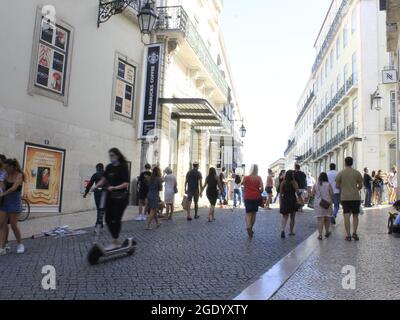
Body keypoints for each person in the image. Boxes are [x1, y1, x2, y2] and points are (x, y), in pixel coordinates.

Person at [93, 148, 130, 250]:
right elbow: (104, 179)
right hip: (110, 197)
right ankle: (116, 240)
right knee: (107, 218)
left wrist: (115, 187)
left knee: (116, 218)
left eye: (113, 155)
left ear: (117, 156)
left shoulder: (123, 166)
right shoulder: (109, 167)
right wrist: (96, 186)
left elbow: (126, 183)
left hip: (121, 197)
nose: (111, 158)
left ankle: (115, 241)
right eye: (110, 156)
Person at [0, 159, 25, 255]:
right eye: (4, 167)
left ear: (12, 167)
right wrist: (2, 179)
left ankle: (20, 244)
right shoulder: (5, 174)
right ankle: (2, 247)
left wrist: (3, 194)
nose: (5, 169)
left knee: (13, 225)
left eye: (7, 167)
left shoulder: (19, 175)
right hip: (4, 202)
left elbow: (14, 188)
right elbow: (2, 187)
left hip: (14, 202)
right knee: (2, 224)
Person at [336, 157, 363, 241]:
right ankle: (354, 233)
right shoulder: (357, 173)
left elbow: (337, 185)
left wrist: (343, 187)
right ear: (352, 163)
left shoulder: (341, 173)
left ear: (345, 163)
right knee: (355, 215)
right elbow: (361, 185)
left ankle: (348, 235)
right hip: (355, 197)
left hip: (345, 197)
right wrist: (355, 189)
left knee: (346, 215)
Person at [83, 163, 105, 231]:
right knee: (101, 210)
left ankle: (98, 225)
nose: (96, 170)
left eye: (96, 168)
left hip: (98, 193)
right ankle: (100, 224)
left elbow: (90, 184)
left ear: (98, 168)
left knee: (99, 209)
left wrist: (86, 193)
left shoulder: (95, 175)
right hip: (105, 193)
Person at [243, 165, 263, 238]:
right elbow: (262, 189)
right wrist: (258, 191)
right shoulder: (259, 178)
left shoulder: (246, 177)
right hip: (256, 197)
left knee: (248, 214)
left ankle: (248, 227)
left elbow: (244, 187)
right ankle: (251, 228)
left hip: (248, 197)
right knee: (254, 213)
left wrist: (247, 192)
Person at [312, 172, 333, 240]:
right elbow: (331, 194)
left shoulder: (316, 184)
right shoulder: (328, 184)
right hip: (327, 203)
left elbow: (312, 194)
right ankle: (327, 232)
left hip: (318, 203)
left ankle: (320, 235)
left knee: (320, 220)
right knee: (327, 218)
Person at [279, 170, 299, 238]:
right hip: (292, 200)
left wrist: (280, 203)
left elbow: (281, 194)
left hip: (285, 200)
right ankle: (291, 231)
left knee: (285, 217)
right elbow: (298, 192)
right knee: (292, 217)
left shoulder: (283, 183)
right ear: (292, 175)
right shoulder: (294, 182)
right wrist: (301, 200)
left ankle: (282, 230)